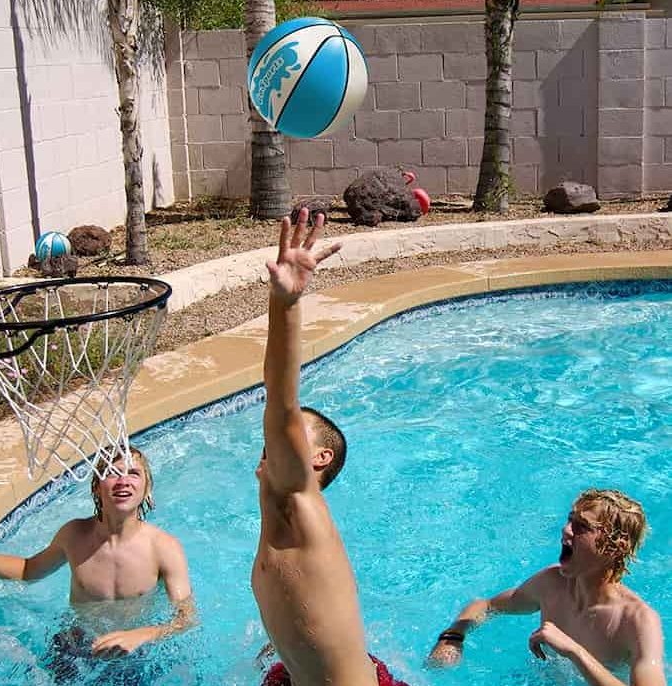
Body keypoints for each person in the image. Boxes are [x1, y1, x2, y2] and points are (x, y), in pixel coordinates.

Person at [254, 207, 408, 686]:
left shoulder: (298, 500)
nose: (276, 441)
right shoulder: (281, 518)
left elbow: (280, 401)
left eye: (296, 436)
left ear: (318, 458)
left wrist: (286, 306)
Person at [0, 447, 195, 675]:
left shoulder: (164, 548)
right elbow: (27, 570)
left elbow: (186, 618)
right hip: (76, 646)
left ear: (146, 489)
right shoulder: (74, 535)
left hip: (135, 652)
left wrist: (143, 634)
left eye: (133, 474)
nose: (123, 481)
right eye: (112, 473)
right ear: (96, 486)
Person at [428, 488, 666, 686]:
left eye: (582, 526)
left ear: (616, 547)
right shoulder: (552, 583)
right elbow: (487, 605)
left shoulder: (638, 620)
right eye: (570, 520)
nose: (566, 530)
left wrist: (574, 651)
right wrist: (453, 637)